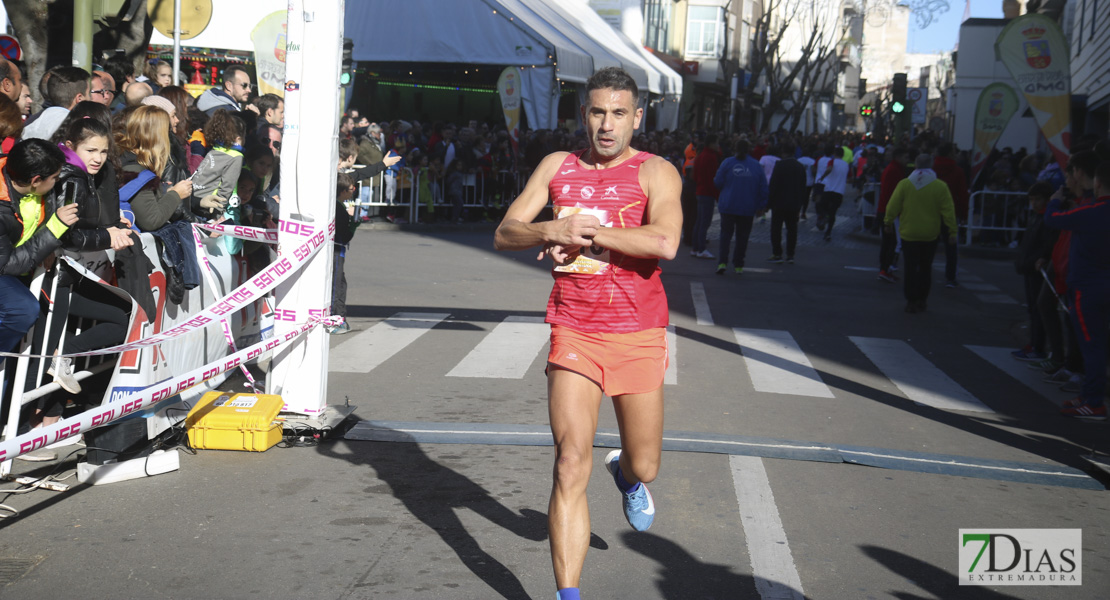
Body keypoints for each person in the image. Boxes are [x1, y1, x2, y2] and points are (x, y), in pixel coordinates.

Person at [493, 67, 681, 600]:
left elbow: (666, 241)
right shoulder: (558, 166)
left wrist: (593, 234)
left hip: (638, 331)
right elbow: (506, 231)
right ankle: (568, 594)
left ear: (636, 117)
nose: (607, 124)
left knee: (647, 462)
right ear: (584, 115)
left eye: (619, 113)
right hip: (574, 328)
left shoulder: (656, 171)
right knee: (570, 460)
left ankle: (626, 474)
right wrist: (550, 228)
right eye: (598, 111)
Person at [1042, 158, 1110, 420]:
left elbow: (1053, 218)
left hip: (1086, 286)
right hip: (1102, 284)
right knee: (1096, 343)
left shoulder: (1090, 212)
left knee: (1091, 346)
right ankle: (1088, 395)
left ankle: (1094, 401)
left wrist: (1055, 199)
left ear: (1098, 181)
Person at [1, 139, 79, 358]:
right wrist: (54, 229)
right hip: (7, 269)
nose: (58, 182)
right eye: (54, 178)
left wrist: (48, 246)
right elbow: (6, 264)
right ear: (35, 181)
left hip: (23, 270)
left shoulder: (29, 180)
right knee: (23, 310)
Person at [884, 154, 957, 313]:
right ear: (931, 166)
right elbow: (948, 211)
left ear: (915, 166)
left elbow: (893, 205)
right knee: (925, 268)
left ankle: (910, 300)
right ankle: (922, 299)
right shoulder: (940, 186)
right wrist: (952, 231)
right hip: (930, 233)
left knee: (910, 268)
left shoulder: (905, 184)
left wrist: (888, 222)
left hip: (909, 232)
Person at [1011, 181, 1057, 362]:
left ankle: (1038, 347)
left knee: (1039, 309)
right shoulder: (1036, 217)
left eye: (1038, 199)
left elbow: (1047, 245)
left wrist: (1040, 258)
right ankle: (1034, 344)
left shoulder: (1047, 219)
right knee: (1033, 308)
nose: (1034, 203)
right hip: (1030, 267)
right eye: (1032, 199)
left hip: (1038, 268)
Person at [713, 138, 768, 275]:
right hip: (747, 207)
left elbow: (717, 181)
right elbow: (763, 188)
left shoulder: (727, 163)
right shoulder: (756, 166)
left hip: (729, 204)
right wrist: (761, 205)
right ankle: (738, 265)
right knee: (742, 237)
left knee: (725, 235)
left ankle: (722, 262)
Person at [191, 109, 245, 218]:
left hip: (194, 199)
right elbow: (227, 186)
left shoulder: (215, 149)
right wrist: (218, 212)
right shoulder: (236, 156)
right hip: (209, 206)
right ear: (239, 138)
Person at [933, 143, 968, 287]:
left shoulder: (931, 169)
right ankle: (950, 277)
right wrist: (963, 213)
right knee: (951, 247)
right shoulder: (957, 171)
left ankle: (922, 272)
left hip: (931, 212)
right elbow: (962, 194)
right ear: (949, 154)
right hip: (950, 212)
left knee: (929, 245)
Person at [767, 140, 807, 263]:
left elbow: (773, 185)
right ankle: (790, 254)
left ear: (783, 152)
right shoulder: (800, 167)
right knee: (792, 229)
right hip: (794, 203)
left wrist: (768, 203)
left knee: (776, 229)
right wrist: (801, 204)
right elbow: (803, 187)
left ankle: (777, 253)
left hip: (779, 202)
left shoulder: (779, 165)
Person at [877, 147, 910, 282]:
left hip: (886, 210)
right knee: (891, 242)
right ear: (899, 157)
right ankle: (885, 269)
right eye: (906, 158)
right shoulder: (895, 171)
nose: (908, 160)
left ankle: (885, 269)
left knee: (888, 242)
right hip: (889, 211)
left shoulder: (892, 169)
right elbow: (892, 195)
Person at [691, 133, 721, 259]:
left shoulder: (700, 155)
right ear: (711, 143)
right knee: (704, 222)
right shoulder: (711, 157)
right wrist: (716, 195)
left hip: (700, 190)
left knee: (699, 221)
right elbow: (711, 178)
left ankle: (696, 247)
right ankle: (701, 248)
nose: (718, 146)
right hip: (707, 192)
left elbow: (695, 175)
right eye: (716, 143)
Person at [815, 145, 849, 242]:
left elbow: (829, 169)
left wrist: (822, 177)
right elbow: (849, 177)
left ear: (835, 154)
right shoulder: (846, 164)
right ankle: (828, 233)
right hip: (839, 191)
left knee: (821, 205)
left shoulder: (832, 161)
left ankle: (825, 216)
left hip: (829, 189)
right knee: (833, 212)